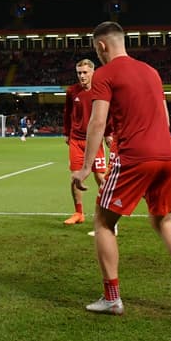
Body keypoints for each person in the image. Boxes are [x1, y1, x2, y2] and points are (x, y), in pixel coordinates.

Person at [71, 22, 171, 315]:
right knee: (163, 222)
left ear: (101, 46)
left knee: (103, 222)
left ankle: (112, 298)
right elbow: (163, 114)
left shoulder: (104, 74)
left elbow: (97, 122)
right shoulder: (151, 71)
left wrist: (86, 167)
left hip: (135, 157)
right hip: (167, 154)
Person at [63, 58, 107, 226]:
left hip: (95, 140)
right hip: (76, 139)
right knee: (75, 177)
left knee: (100, 176)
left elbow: (108, 113)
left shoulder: (100, 90)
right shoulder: (72, 91)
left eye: (85, 72)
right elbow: (67, 113)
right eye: (79, 73)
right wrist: (67, 132)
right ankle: (78, 213)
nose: (81, 76)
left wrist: (108, 133)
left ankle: (109, 209)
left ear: (92, 72)